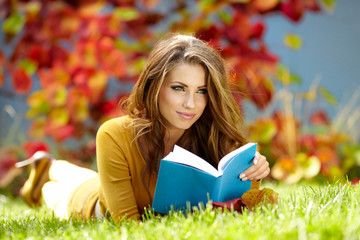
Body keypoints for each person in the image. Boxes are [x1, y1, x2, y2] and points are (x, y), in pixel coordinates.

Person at [16, 34, 270, 224]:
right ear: (154, 86)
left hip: (105, 183)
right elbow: (127, 224)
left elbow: (239, 207)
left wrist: (253, 172)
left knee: (81, 175)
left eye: (201, 91)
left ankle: (50, 166)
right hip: (90, 203)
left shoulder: (211, 134)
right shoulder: (114, 134)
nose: (191, 104)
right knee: (56, 193)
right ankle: (44, 176)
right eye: (178, 88)